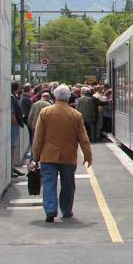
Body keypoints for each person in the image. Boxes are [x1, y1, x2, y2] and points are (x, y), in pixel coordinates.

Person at [32, 84, 92, 223]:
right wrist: (88, 155)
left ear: (54, 96)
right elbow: (83, 138)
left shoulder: (45, 112)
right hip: (68, 156)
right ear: (68, 97)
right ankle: (66, 210)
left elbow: (38, 137)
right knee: (68, 185)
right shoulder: (76, 115)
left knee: (49, 183)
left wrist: (36, 155)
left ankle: (50, 210)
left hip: (48, 156)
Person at [10, 82, 25, 177]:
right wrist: (16, 122)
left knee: (13, 148)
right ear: (18, 88)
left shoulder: (13, 96)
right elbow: (12, 113)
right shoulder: (11, 97)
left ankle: (12, 167)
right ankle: (11, 168)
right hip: (12, 126)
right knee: (11, 147)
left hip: (14, 126)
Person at [19, 83, 34, 157]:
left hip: (26, 119)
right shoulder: (27, 99)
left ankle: (32, 152)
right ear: (29, 90)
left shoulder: (23, 98)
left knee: (31, 135)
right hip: (28, 120)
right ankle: (32, 152)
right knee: (32, 136)